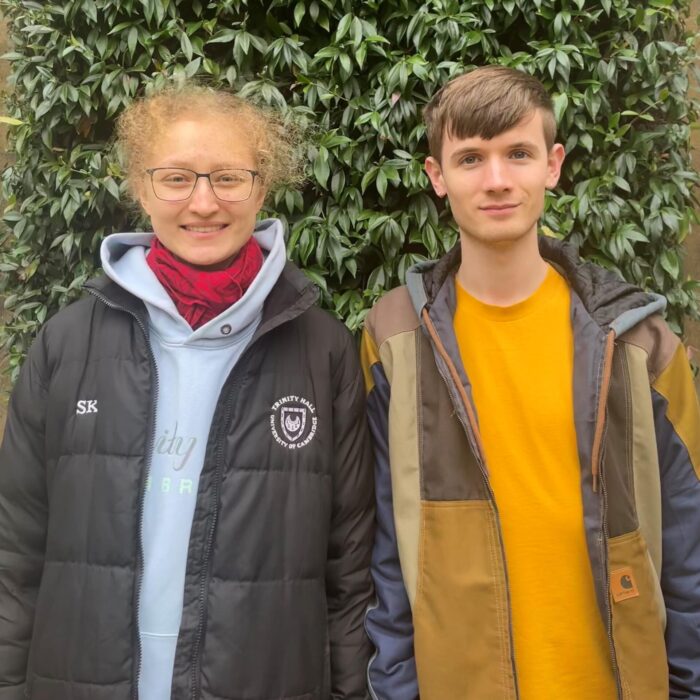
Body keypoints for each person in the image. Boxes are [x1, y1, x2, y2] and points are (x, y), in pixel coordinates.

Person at [0, 85, 375, 700]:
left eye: (228, 177)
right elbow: (15, 552)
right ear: (141, 189)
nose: (203, 202)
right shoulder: (65, 344)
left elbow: (349, 568)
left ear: (262, 188)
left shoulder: (324, 352)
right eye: (176, 178)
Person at [361, 65, 700, 699]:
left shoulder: (641, 345)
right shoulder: (393, 340)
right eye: (470, 159)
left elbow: (688, 551)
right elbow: (386, 555)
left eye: (518, 153)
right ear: (436, 177)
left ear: (553, 164)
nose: (496, 181)